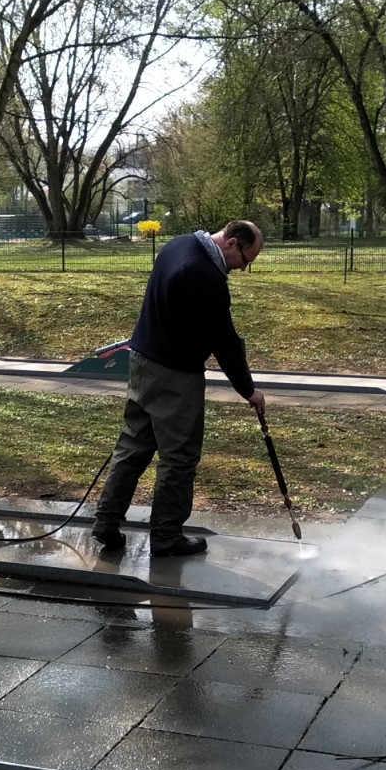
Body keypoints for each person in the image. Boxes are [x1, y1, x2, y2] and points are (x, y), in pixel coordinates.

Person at [91, 219, 267, 557]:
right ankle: (167, 537)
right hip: (175, 375)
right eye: (246, 261)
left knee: (132, 448)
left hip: (141, 362)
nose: (243, 269)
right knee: (179, 458)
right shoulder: (206, 276)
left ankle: (105, 522)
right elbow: (225, 341)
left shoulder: (177, 245)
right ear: (231, 244)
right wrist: (248, 390)